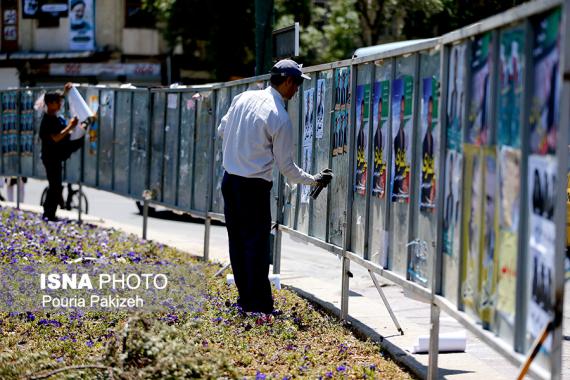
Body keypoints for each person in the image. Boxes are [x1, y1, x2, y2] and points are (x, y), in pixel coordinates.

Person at [218, 59, 333, 314]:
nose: (298, 90)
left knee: (237, 243)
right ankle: (259, 306)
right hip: (254, 187)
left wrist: (238, 149)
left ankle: (245, 300)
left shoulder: (243, 98)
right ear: (289, 82)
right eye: (299, 84)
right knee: (257, 246)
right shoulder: (279, 117)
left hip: (230, 181)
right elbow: (287, 168)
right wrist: (314, 180)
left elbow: (221, 129)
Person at [39, 83, 86, 221]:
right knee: (55, 185)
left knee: (55, 185)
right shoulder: (47, 120)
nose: (60, 104)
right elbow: (55, 138)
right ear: (51, 104)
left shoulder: (55, 117)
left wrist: (66, 92)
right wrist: (70, 127)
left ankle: (50, 211)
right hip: (51, 158)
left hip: (56, 157)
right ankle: (49, 213)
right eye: (58, 102)